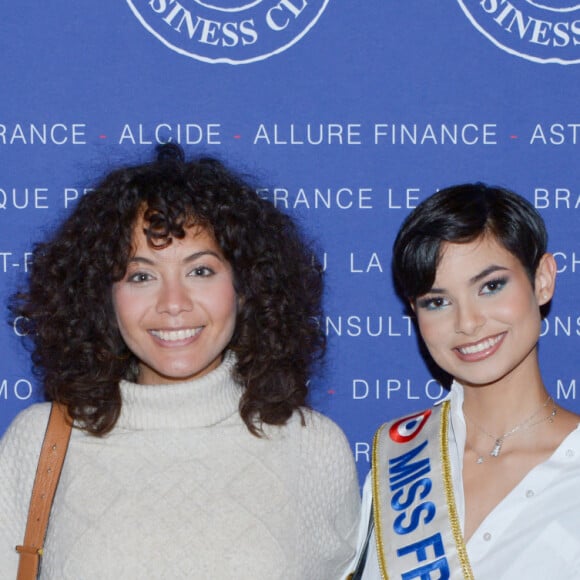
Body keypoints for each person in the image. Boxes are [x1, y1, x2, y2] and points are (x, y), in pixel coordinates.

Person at [0, 143, 360, 579]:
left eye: (200, 271)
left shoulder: (313, 447)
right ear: (103, 296)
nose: (173, 303)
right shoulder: (39, 443)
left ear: (245, 287)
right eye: (142, 276)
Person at [349, 183, 580, 579]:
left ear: (542, 279)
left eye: (491, 286)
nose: (468, 322)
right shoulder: (398, 459)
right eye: (437, 302)